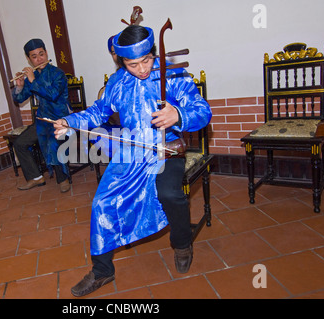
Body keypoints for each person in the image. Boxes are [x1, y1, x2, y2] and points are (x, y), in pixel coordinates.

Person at [54, 25, 212, 297]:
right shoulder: (117, 82)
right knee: (101, 202)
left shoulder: (172, 76)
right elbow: (96, 114)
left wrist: (178, 116)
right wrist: (69, 122)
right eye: (132, 64)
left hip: (166, 150)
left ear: (153, 53)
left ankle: (182, 243)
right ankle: (102, 271)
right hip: (131, 153)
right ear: (121, 61)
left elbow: (203, 111)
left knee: (170, 194)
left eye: (147, 60)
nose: (142, 69)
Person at [12, 39, 72, 193]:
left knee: (52, 142)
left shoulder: (58, 73)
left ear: (46, 53)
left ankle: (63, 179)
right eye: (34, 56)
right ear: (29, 59)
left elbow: (52, 95)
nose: (39, 59)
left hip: (61, 119)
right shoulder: (32, 77)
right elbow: (19, 99)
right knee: (19, 143)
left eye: (41, 54)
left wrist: (32, 80)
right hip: (42, 121)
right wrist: (19, 86)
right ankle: (36, 177)